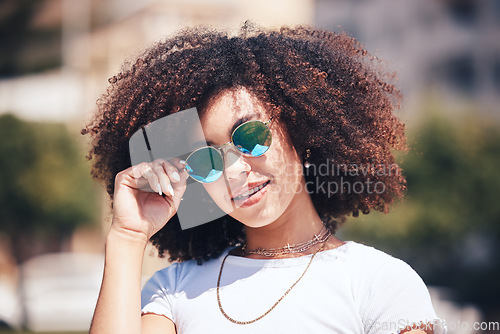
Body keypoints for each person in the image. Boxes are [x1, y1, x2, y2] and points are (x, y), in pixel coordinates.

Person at [82, 23, 446, 334]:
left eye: (250, 138)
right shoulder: (174, 291)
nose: (234, 170)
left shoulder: (377, 282)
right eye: (207, 158)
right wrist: (128, 238)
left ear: (301, 132)